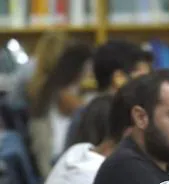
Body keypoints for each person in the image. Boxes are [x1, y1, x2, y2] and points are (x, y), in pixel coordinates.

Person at [65, 40, 153, 148]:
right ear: (119, 78)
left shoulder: (82, 113)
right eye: (143, 78)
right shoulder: (118, 115)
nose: (149, 86)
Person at [28, 41, 93, 176]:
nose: (90, 71)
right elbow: (90, 112)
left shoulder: (55, 85)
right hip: (56, 157)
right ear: (80, 67)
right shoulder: (63, 94)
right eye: (88, 66)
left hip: (57, 153)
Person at [7, 31, 68, 109]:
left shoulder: (30, 66)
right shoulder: (60, 69)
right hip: (29, 115)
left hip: (25, 115)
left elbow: (12, 99)